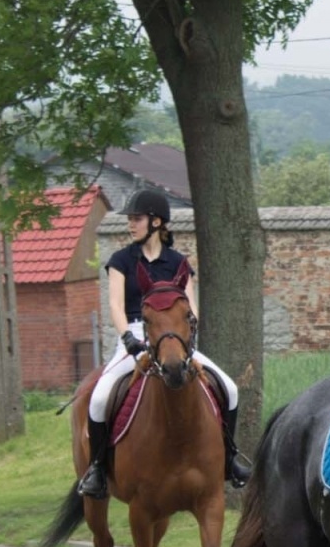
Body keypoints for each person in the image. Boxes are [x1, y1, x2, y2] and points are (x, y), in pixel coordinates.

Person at [78, 188, 253, 499]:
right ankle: (96, 469)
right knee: (99, 397)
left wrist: (187, 341)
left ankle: (229, 458)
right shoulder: (121, 261)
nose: (130, 225)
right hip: (135, 335)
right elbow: (116, 306)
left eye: (136, 219)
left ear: (156, 222)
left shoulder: (179, 262)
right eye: (130, 220)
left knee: (231, 388)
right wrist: (129, 339)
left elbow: (191, 307)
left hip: (177, 337)